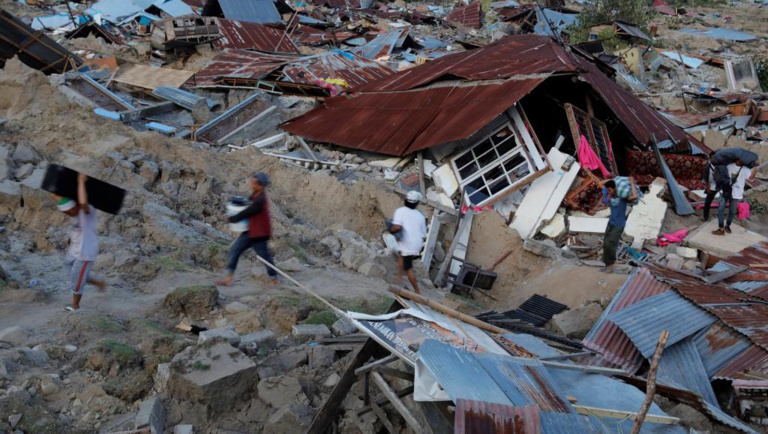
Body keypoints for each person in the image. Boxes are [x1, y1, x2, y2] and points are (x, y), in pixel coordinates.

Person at [54, 173, 105, 312]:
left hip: (85, 251)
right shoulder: (73, 211)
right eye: (66, 213)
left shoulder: (87, 212)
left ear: (75, 206)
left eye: (69, 212)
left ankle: (75, 305)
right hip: (75, 248)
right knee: (71, 270)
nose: (68, 215)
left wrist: (81, 181)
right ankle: (99, 283)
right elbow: (57, 197)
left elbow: (83, 202)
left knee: (76, 278)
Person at [217, 173, 278, 287]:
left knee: (265, 257)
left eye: (253, 183)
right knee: (234, 250)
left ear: (260, 186)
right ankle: (228, 278)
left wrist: (233, 218)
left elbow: (247, 212)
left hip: (259, 234)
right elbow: (246, 204)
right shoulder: (256, 194)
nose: (251, 184)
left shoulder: (261, 200)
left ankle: (273, 280)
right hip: (251, 231)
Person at [389, 191, 427, 294]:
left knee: (408, 267)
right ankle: (399, 277)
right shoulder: (421, 216)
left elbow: (396, 227)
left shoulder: (400, 211)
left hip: (407, 243)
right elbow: (423, 233)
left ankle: (417, 290)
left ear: (406, 200)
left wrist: (391, 230)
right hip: (416, 243)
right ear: (417, 203)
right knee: (402, 255)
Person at [598, 177, 638, 272]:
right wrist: (614, 179)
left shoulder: (622, 196)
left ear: (615, 189)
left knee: (610, 243)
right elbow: (600, 183)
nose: (609, 191)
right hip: (611, 222)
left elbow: (634, 196)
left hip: (619, 224)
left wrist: (632, 182)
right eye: (608, 190)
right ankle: (609, 262)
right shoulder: (608, 194)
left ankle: (611, 263)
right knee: (606, 242)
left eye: (610, 190)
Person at [712, 159, 756, 236]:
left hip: (737, 193)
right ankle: (721, 228)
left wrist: (755, 169)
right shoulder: (729, 166)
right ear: (736, 158)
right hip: (725, 190)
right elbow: (722, 175)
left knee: (732, 211)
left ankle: (727, 225)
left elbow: (751, 179)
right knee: (721, 208)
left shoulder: (745, 169)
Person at [702, 152, 717, 222]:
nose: (714, 159)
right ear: (710, 158)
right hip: (711, 186)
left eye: (715, 157)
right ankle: (706, 217)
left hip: (719, 186)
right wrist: (708, 188)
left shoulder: (720, 166)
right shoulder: (707, 167)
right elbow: (706, 178)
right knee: (707, 202)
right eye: (712, 157)